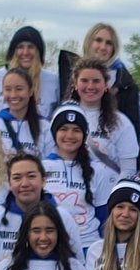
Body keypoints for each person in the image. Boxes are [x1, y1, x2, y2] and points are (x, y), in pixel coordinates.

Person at [43, 105, 115, 254]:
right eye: (63, 129)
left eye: (76, 130)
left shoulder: (99, 170)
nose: (69, 135)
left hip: (88, 247)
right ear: (54, 133)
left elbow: (104, 219)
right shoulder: (41, 167)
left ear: (84, 135)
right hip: (51, 246)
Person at [60, 23, 140, 133]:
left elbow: (134, 128)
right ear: (89, 42)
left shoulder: (126, 85)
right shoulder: (68, 75)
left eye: (109, 43)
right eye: (98, 40)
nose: (103, 47)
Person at [66, 57, 139, 176]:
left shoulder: (121, 122)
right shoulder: (61, 119)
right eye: (84, 81)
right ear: (75, 84)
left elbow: (128, 170)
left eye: (96, 81)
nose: (90, 86)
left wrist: (116, 194)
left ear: (106, 85)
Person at [0, 25, 59, 119]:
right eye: (20, 47)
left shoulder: (53, 80)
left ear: (39, 52)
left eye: (31, 47)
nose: (25, 52)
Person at [0, 66, 49, 157]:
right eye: (8, 89)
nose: (13, 95)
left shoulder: (44, 126)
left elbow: (49, 162)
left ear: (30, 91)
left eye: (19, 89)